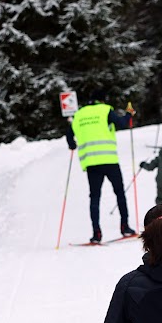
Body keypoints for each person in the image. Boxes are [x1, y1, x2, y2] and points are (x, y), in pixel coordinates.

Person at [64, 97, 135, 243]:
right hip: (109, 160)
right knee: (120, 193)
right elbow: (123, 123)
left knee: (95, 197)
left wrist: (72, 145)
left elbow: (69, 134)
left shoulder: (79, 114)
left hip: (91, 163)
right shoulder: (105, 110)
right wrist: (129, 113)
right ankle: (125, 227)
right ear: (101, 100)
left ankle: (96, 233)